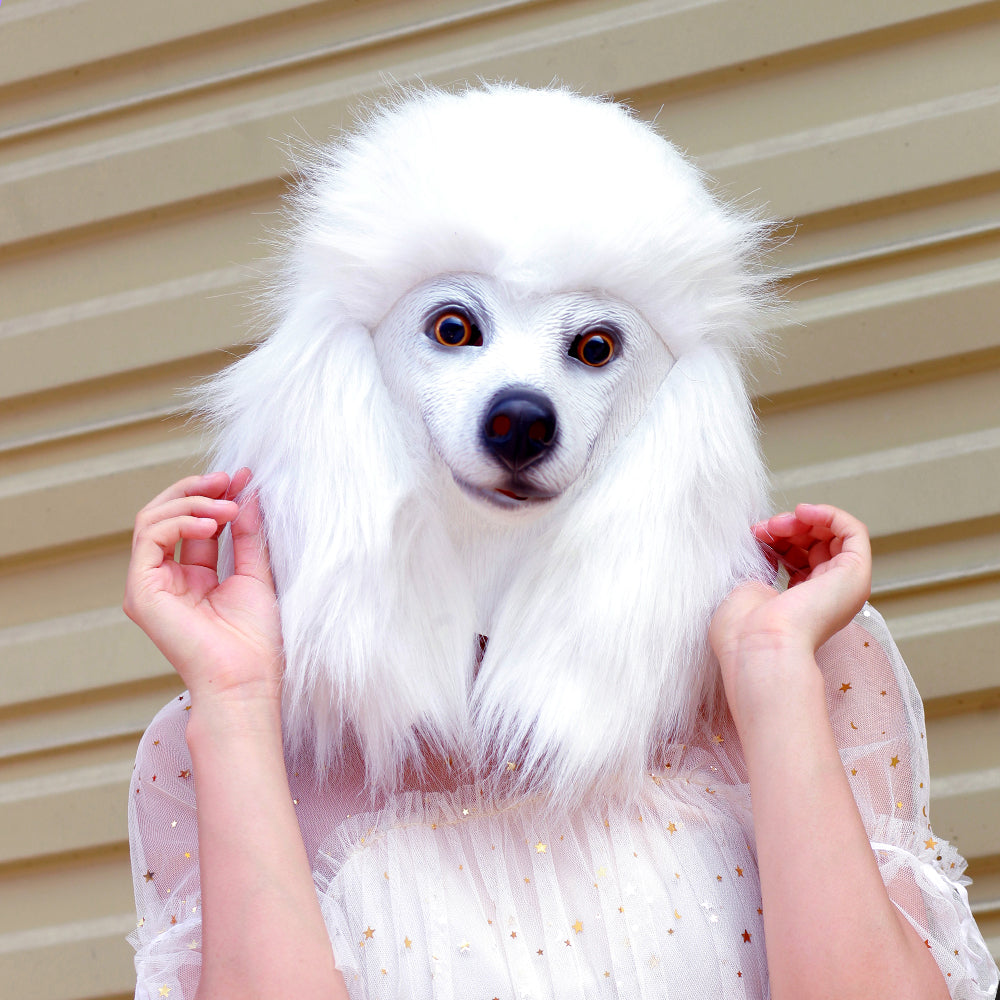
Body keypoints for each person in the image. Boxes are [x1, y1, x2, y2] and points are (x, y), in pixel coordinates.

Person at [124, 469, 996, 999]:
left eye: (586, 346)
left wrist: (769, 673)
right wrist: (236, 702)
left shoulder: (788, 657)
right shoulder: (236, 735)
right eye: (454, 335)